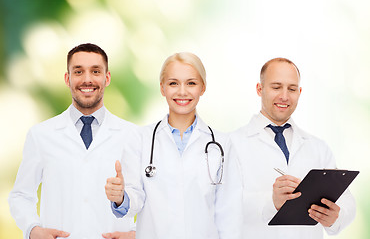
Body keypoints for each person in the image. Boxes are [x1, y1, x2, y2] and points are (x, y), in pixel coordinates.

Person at [104, 52, 243, 239]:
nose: (182, 91)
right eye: (173, 83)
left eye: (191, 83)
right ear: (162, 88)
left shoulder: (222, 144)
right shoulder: (140, 139)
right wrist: (120, 197)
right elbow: (134, 200)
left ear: (203, 88)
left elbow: (229, 214)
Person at [8, 43, 139, 239]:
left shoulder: (133, 136)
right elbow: (20, 195)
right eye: (78, 72)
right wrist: (32, 229)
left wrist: (135, 231)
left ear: (107, 77)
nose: (87, 79)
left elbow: (153, 200)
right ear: (67, 79)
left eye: (95, 71)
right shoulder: (41, 135)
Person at [228, 57, 356, 238]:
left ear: (300, 92)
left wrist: (336, 216)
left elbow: (347, 201)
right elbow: (221, 205)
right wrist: (271, 201)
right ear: (259, 89)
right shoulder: (231, 144)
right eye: (276, 87)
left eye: (292, 89)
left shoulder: (318, 147)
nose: (284, 96)